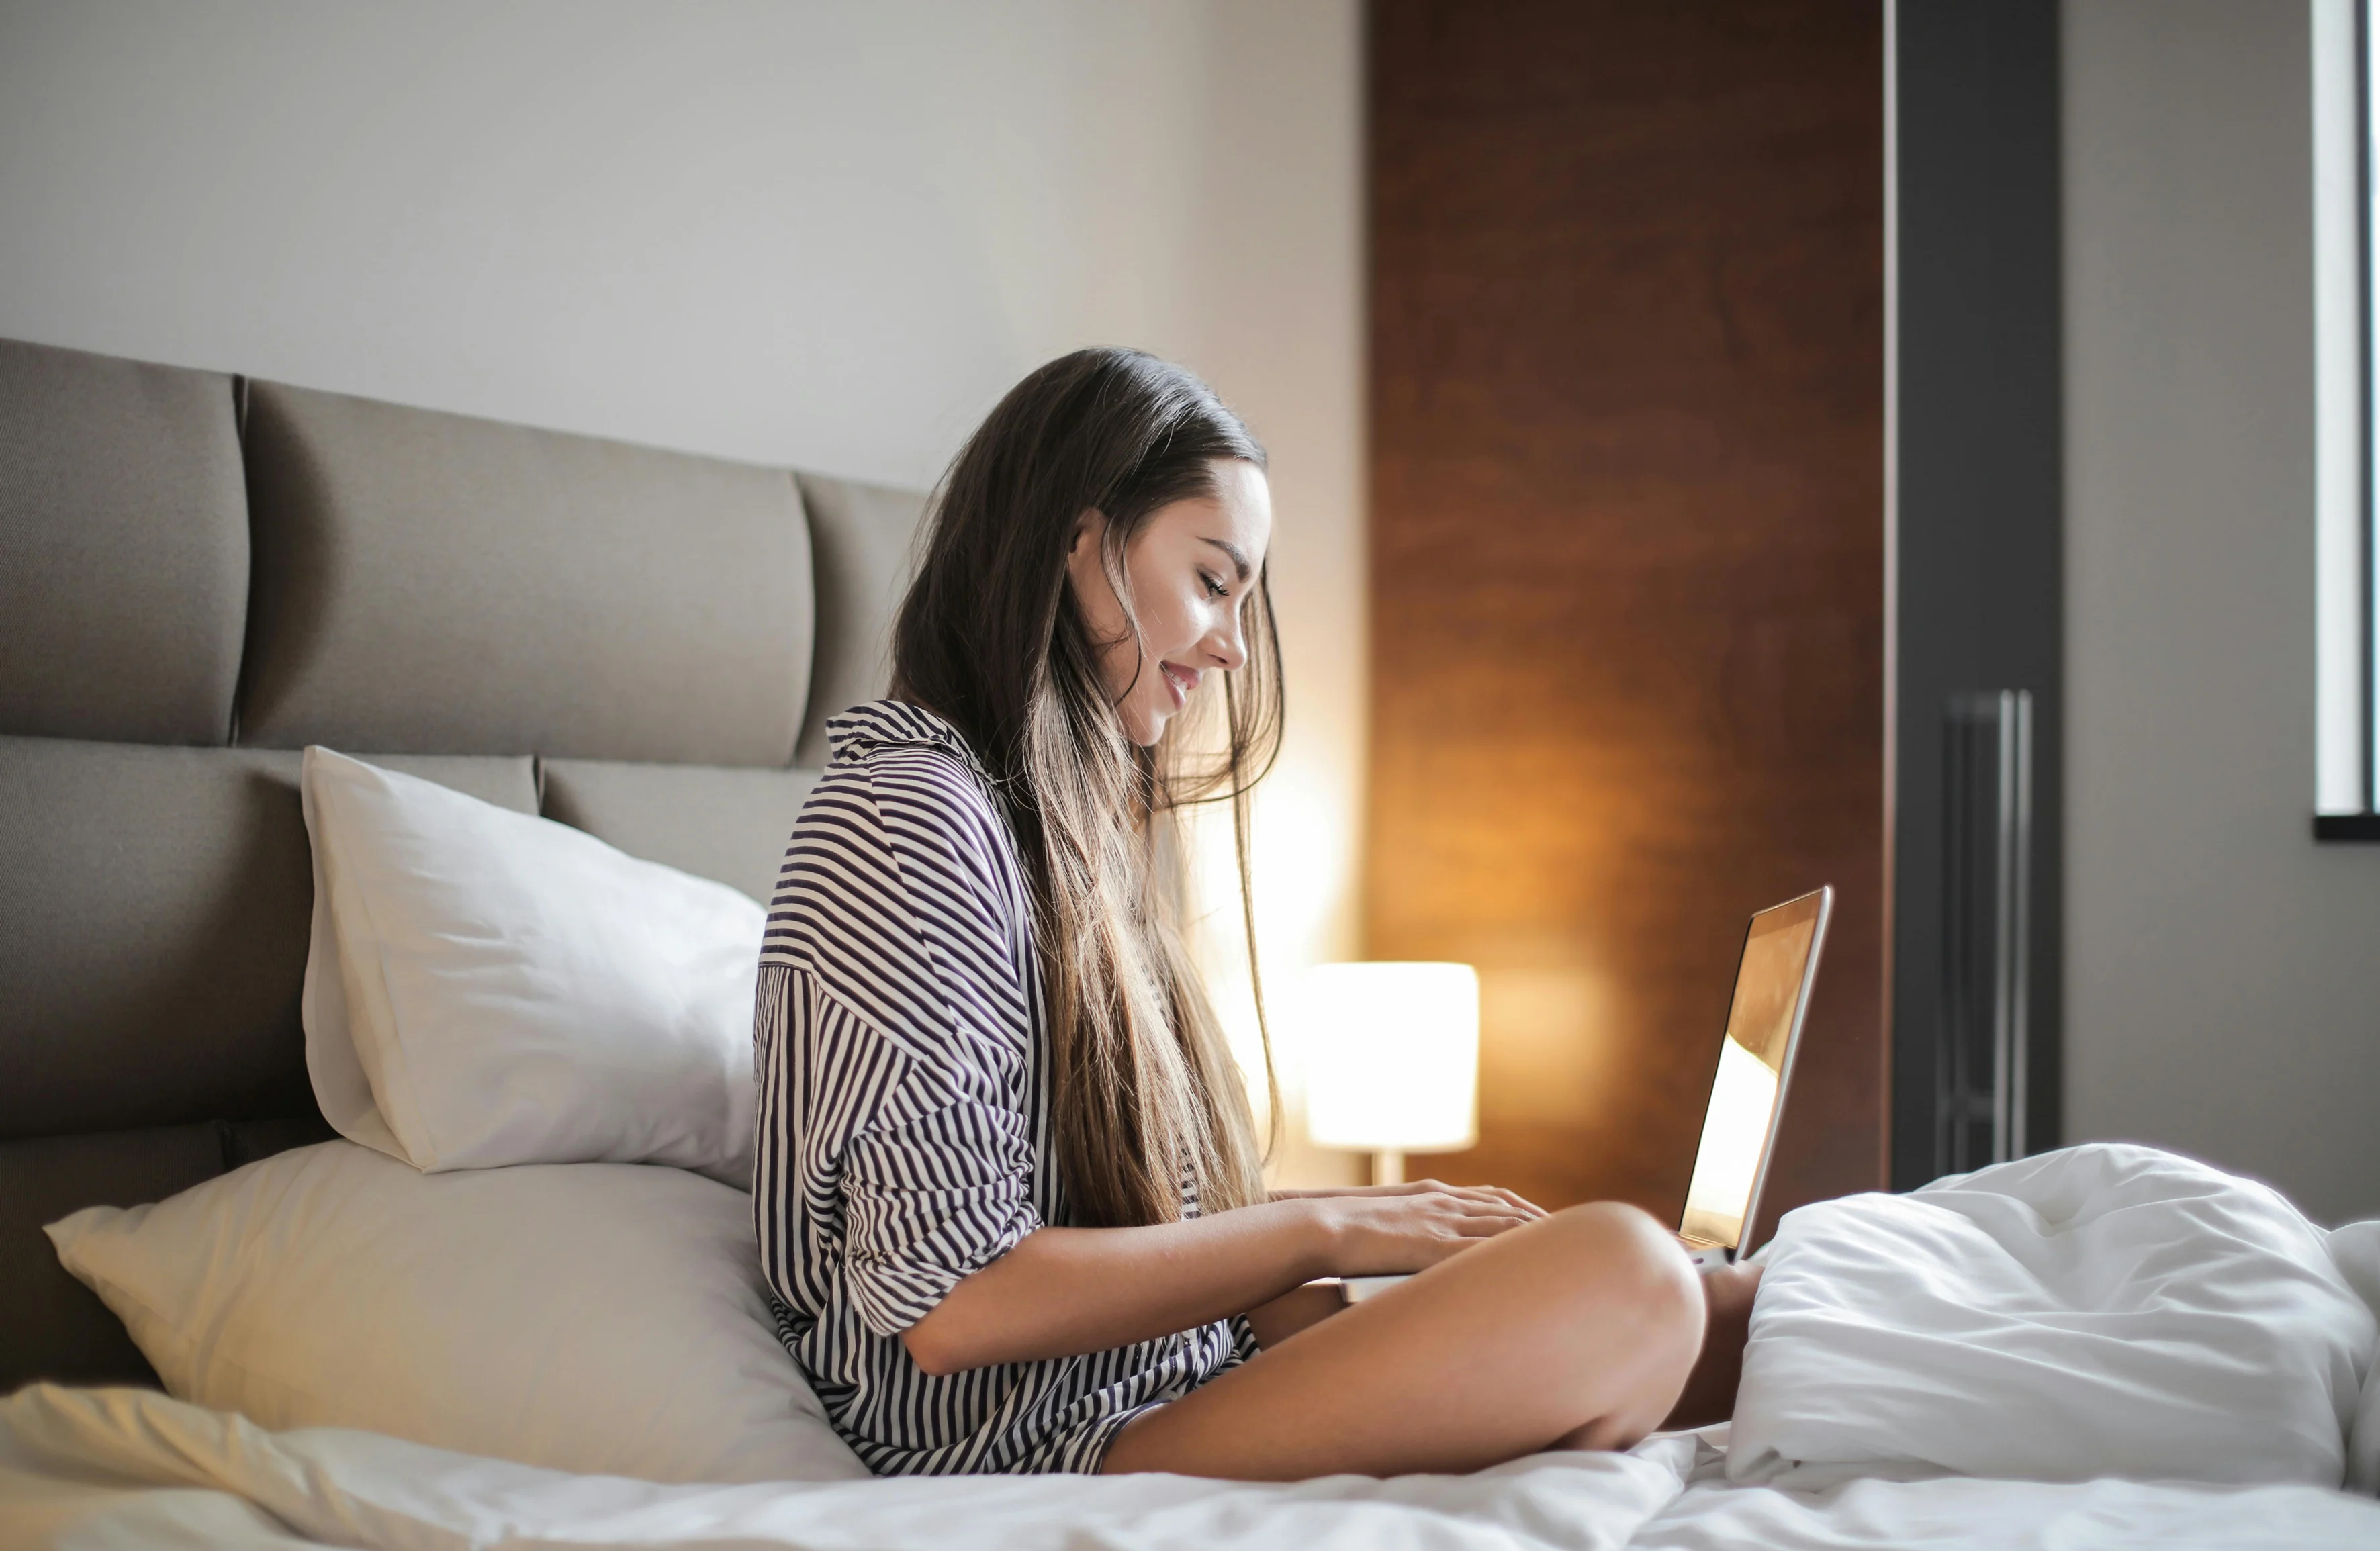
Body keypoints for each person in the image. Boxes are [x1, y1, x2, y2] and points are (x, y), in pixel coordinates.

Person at [754, 346, 1761, 1480]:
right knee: (1629, 1278)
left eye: (1243, 597)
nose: (1233, 644)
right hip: (1044, 1445)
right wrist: (1332, 1228)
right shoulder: (906, 817)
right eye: (1213, 580)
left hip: (1184, 1377)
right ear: (1079, 544)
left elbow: (1124, 1208)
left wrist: (1399, 1227)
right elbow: (953, 1302)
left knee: (1739, 1300)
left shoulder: (1062, 828)